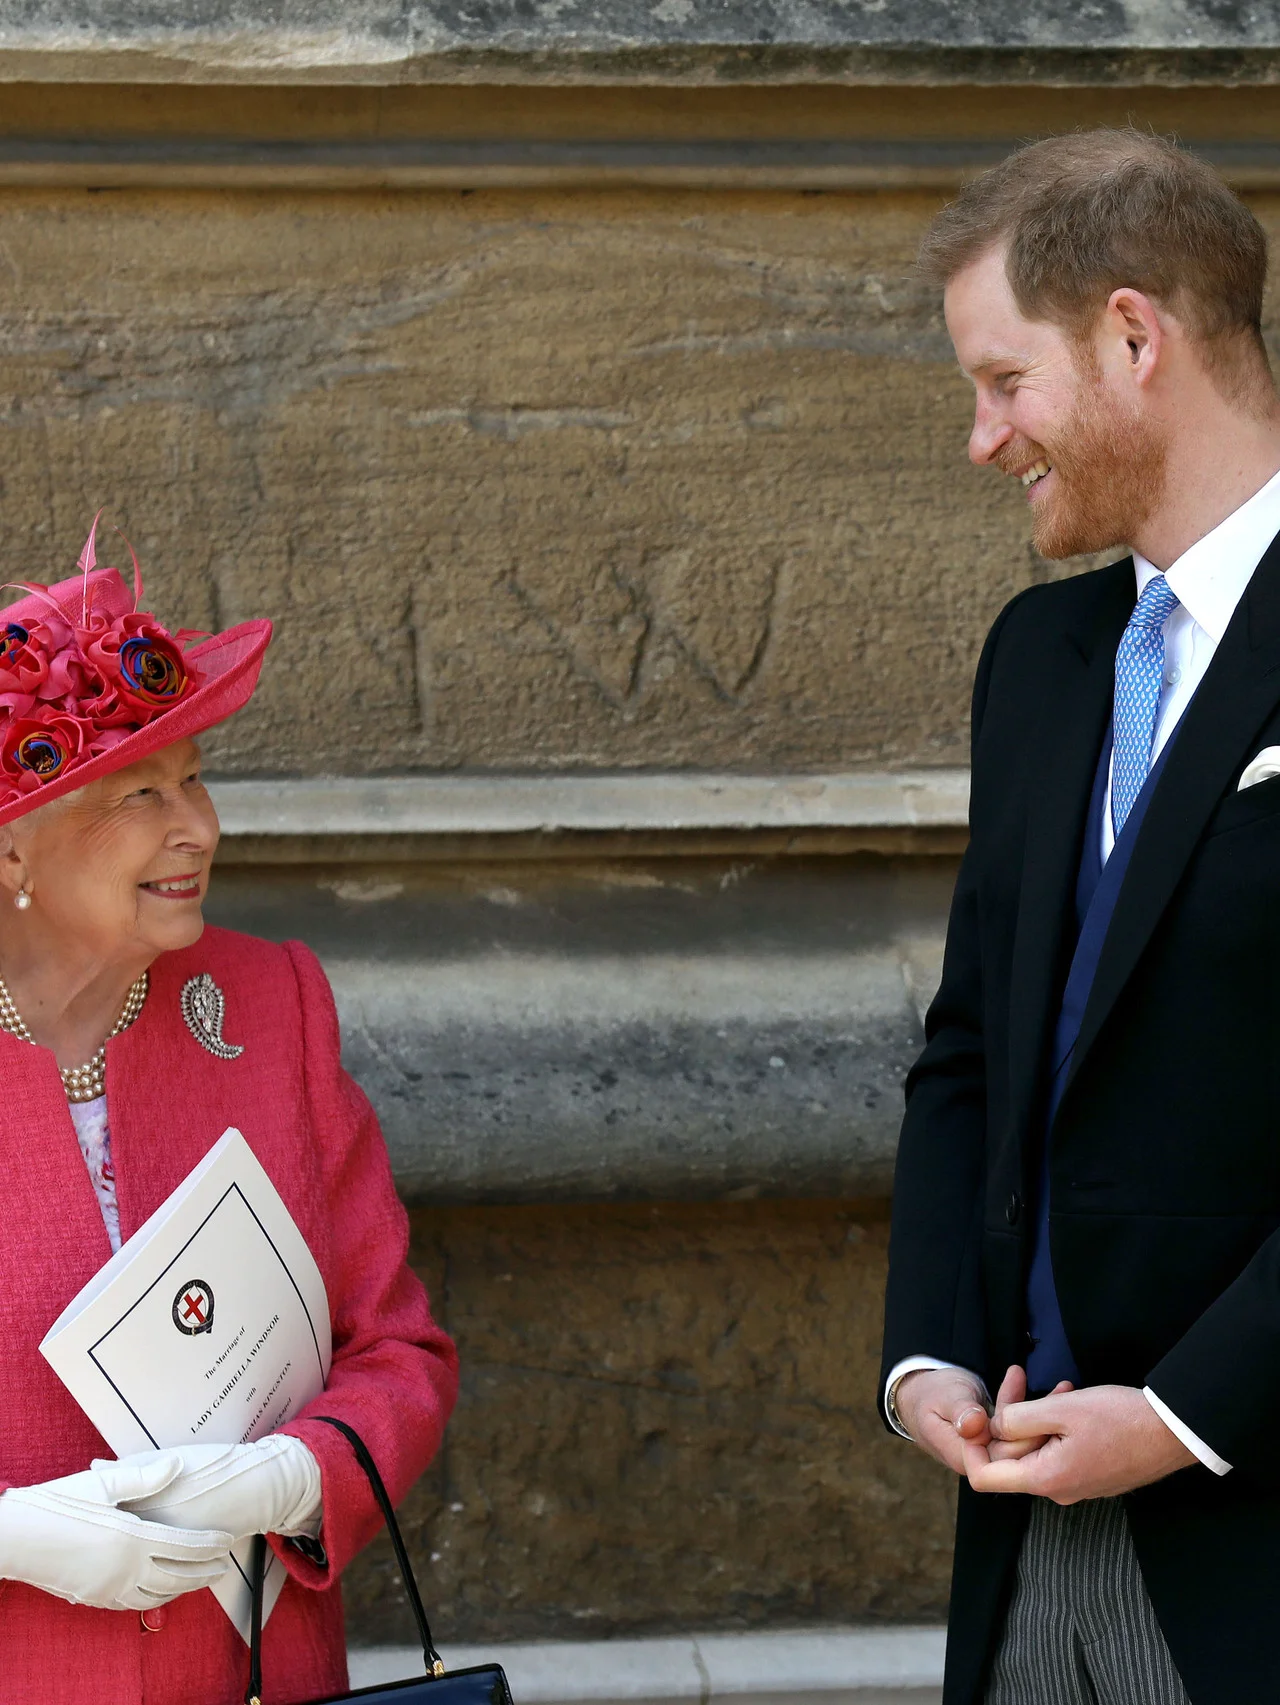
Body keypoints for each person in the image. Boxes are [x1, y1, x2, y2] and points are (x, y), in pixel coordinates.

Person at [879, 129, 1280, 1705]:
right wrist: (927, 1353)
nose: (983, 440)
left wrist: (1183, 1415)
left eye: (1001, 382)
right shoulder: (1039, 661)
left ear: (1133, 337)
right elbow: (972, 1045)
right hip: (1029, 1538)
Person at [0, 518, 459, 1704]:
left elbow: (396, 1350)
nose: (195, 827)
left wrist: (293, 1478)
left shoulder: (271, 1003)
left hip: (256, 1676)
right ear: (15, 848)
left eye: (195, 775)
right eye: (137, 792)